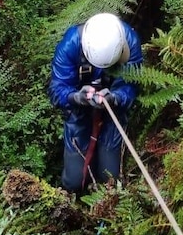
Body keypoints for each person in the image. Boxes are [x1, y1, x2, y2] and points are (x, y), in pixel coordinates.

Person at [49, 12, 143, 194]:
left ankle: (104, 207)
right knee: (74, 180)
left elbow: (131, 87)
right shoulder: (71, 45)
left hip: (114, 109)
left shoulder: (129, 42)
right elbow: (57, 88)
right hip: (78, 109)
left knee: (110, 177)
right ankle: (73, 202)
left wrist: (116, 98)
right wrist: (76, 97)